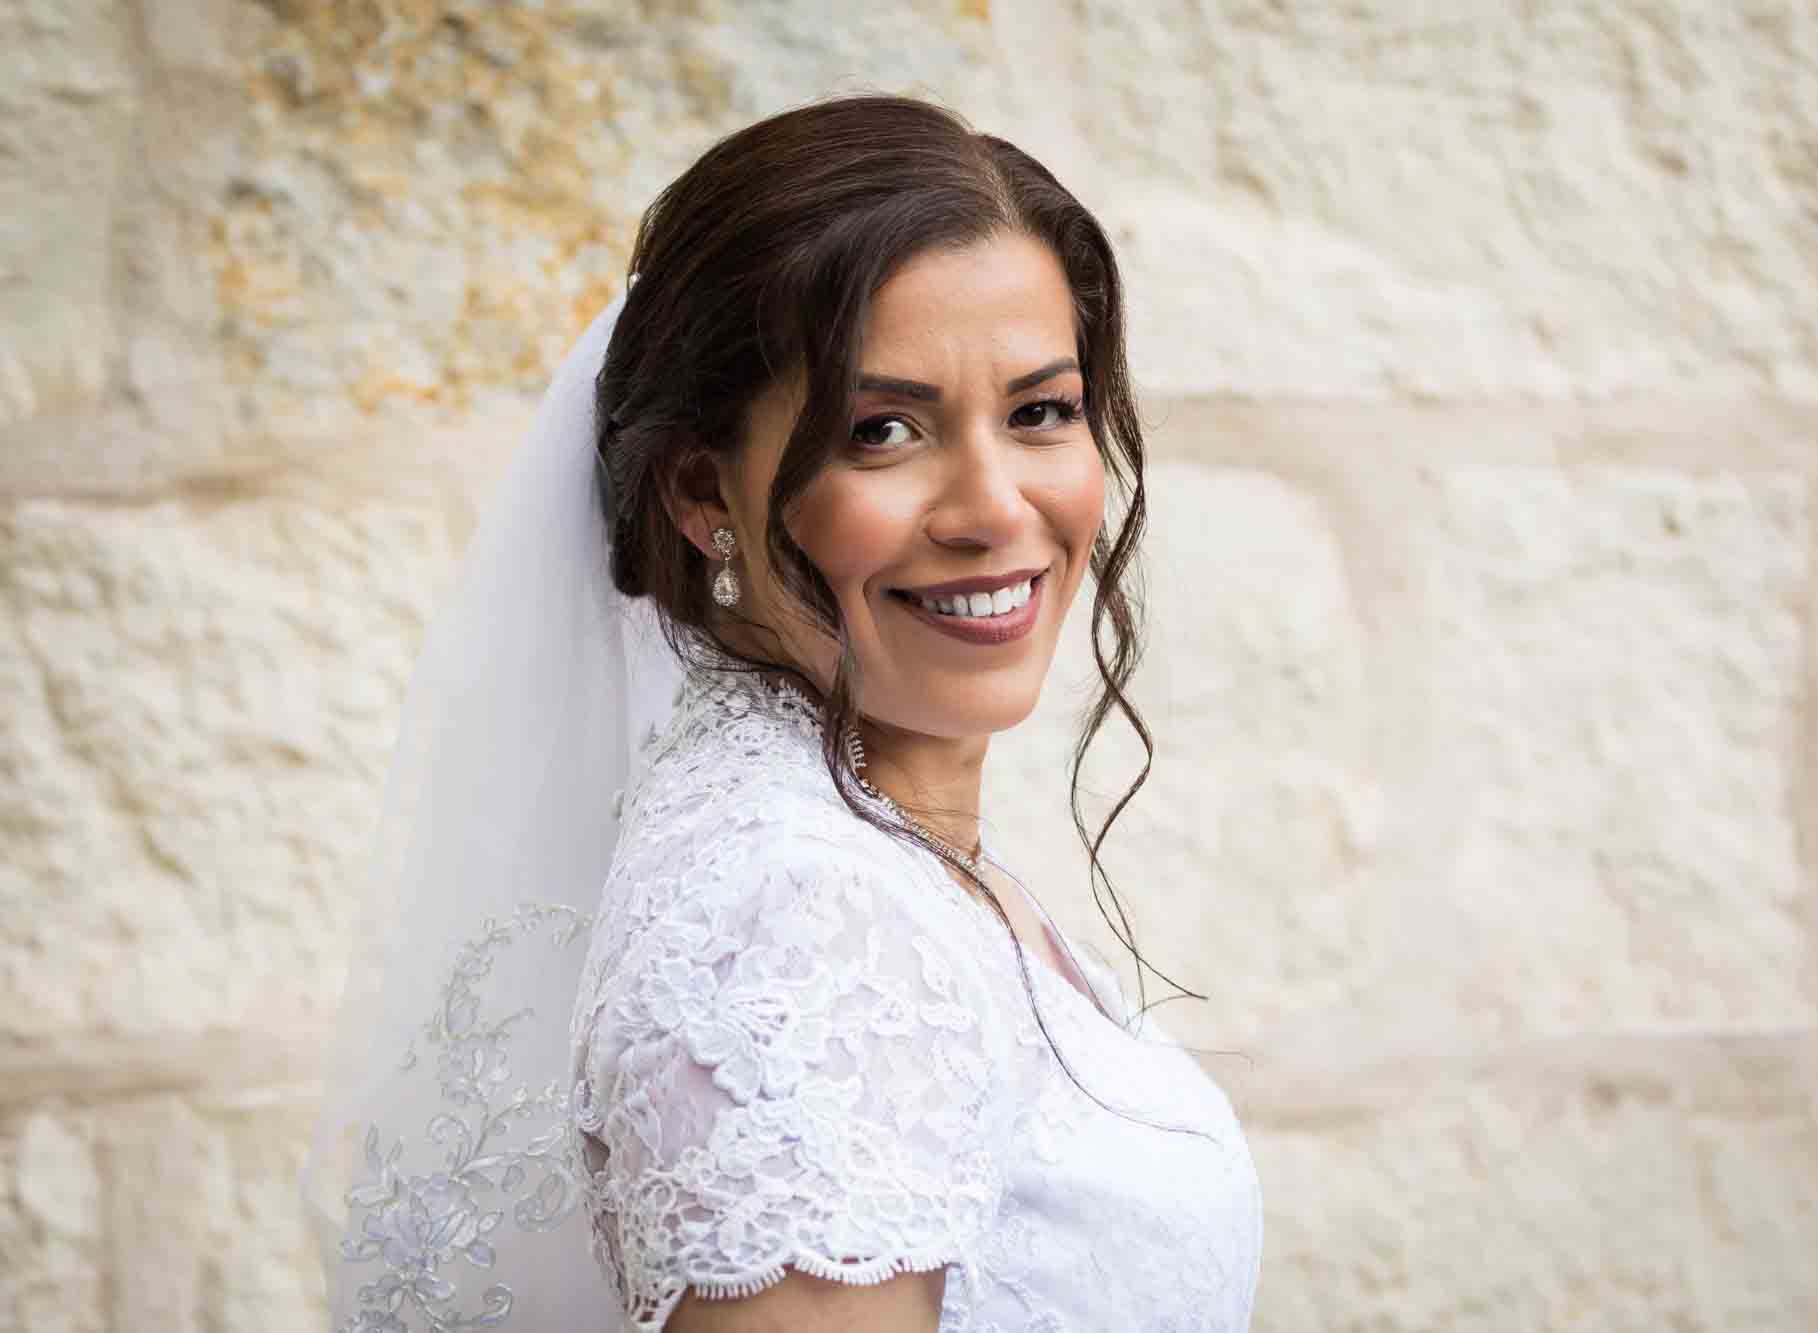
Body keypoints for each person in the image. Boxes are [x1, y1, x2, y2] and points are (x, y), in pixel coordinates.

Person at [306, 95, 1262, 1333]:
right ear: (707, 492)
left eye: (1039, 411)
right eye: (883, 431)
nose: (990, 506)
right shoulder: (802, 915)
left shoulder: (862, 847)